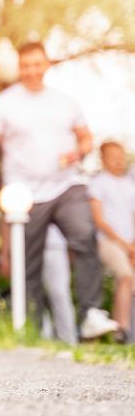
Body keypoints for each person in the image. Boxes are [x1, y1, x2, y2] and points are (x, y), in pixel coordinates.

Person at [0, 41, 118, 340]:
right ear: (19, 68)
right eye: (26, 66)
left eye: (37, 64)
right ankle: (32, 328)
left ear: (47, 64)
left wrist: (78, 152)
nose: (32, 71)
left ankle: (91, 313)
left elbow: (86, 138)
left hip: (65, 185)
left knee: (84, 235)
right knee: (27, 263)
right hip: (24, 194)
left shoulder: (65, 102)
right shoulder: (4, 103)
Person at [88, 140, 135, 343]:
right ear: (103, 159)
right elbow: (99, 221)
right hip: (108, 242)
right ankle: (121, 330)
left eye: (121, 156)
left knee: (131, 284)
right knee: (125, 276)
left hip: (130, 243)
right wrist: (125, 245)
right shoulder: (98, 183)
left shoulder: (129, 184)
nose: (119, 161)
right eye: (114, 157)